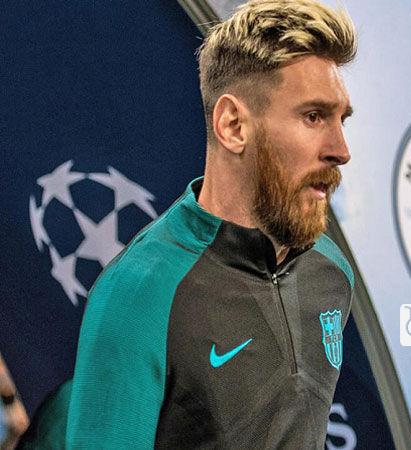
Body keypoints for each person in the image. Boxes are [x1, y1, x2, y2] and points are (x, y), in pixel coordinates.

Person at [62, 0, 357, 447]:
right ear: (233, 125)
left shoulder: (332, 272)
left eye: (342, 119)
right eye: (313, 117)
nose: (341, 149)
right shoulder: (140, 295)